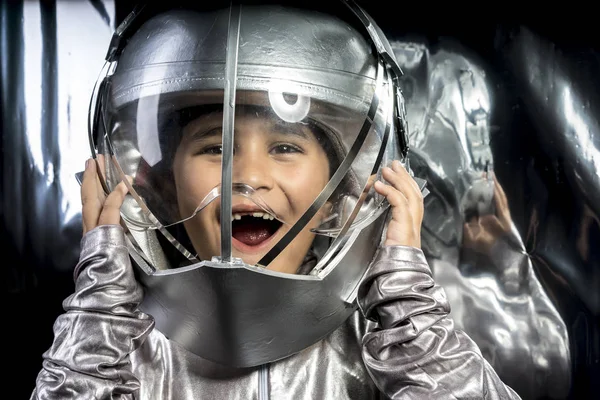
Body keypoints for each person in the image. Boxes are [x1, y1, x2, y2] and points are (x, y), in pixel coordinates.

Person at [31, 1, 522, 398]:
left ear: (340, 196)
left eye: (286, 146)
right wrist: (97, 319)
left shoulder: (384, 353)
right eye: (215, 147)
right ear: (162, 187)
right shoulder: (124, 355)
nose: (245, 176)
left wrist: (409, 312)